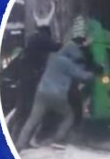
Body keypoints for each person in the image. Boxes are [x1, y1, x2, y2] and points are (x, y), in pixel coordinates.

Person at [14, 18, 95, 150]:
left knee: (33, 118)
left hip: (41, 93)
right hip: (57, 96)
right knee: (70, 114)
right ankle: (58, 139)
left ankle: (20, 143)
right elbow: (84, 76)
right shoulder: (68, 64)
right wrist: (94, 72)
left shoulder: (52, 58)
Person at [7, 25, 60, 137]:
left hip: (25, 77)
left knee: (22, 109)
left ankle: (11, 132)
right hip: (30, 77)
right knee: (29, 108)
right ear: (47, 32)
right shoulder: (42, 37)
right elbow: (55, 47)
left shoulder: (33, 39)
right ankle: (22, 136)